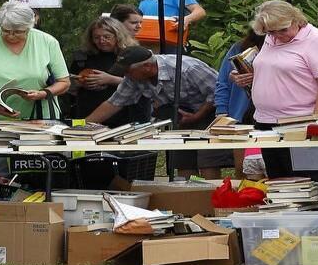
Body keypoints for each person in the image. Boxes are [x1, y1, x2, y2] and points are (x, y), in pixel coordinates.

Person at [231, 1, 318, 178]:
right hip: (267, 123)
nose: (278, 35)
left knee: (310, 182)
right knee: (278, 183)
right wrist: (249, 75)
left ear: (296, 19)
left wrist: (317, 124)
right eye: (270, 31)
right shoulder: (271, 39)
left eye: (283, 30)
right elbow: (280, 69)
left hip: (302, 123)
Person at [85, 46, 231, 179]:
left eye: (127, 71)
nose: (125, 75)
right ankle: (189, 199)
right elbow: (114, 103)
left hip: (211, 112)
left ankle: (213, 199)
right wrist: (83, 126)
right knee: (183, 161)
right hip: (182, 115)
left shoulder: (186, 68)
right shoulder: (134, 78)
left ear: (147, 67)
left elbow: (218, 92)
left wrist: (198, 115)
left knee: (207, 160)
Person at [0, 1, 71, 132]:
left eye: (18, 32)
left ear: (29, 27)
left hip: (38, 119)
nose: (11, 35)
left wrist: (43, 93)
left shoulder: (47, 41)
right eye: (5, 30)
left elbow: (64, 82)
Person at [68, 16, 139, 125]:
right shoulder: (82, 57)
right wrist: (81, 82)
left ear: (118, 36)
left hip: (124, 118)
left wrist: (110, 80)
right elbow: (66, 84)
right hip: (87, 115)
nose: (101, 41)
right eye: (96, 37)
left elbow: (142, 85)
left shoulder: (130, 55)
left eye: (107, 37)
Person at [216, 29, 264, 177]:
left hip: (272, 116)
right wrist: (221, 111)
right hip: (241, 116)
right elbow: (222, 81)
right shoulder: (239, 47)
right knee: (242, 168)